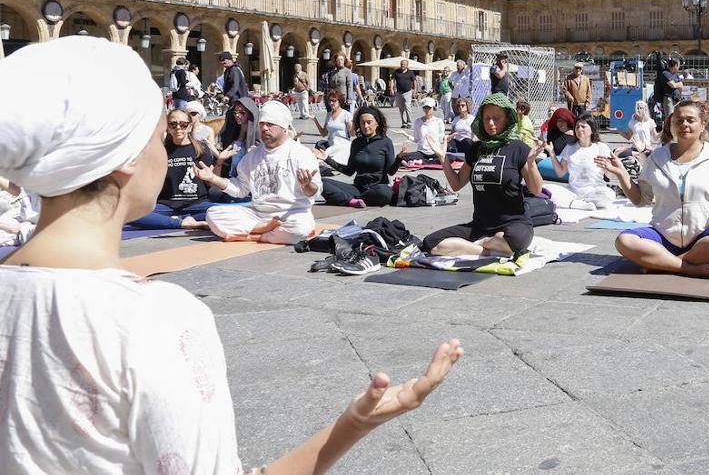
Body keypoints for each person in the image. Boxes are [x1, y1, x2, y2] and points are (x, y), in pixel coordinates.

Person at [0, 36, 463, 473]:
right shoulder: (156, 321)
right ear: (124, 159)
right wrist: (355, 425)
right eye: (159, 135)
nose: (166, 150)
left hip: (287, 217)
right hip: (260, 219)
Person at [596, 99, 709, 278]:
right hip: (664, 235)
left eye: (690, 120)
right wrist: (621, 174)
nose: (684, 125)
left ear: (702, 124)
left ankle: (662, 263)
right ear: (671, 125)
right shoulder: (657, 157)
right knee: (625, 241)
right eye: (678, 120)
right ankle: (686, 267)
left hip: (705, 236)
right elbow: (641, 200)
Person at [423, 93, 544, 257]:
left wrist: (531, 164)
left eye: (496, 118)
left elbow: (536, 190)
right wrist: (443, 159)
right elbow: (457, 184)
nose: (491, 123)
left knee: (515, 240)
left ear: (507, 119)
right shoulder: (476, 149)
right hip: (480, 226)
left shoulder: (518, 148)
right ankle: (485, 248)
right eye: (486, 118)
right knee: (431, 243)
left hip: (514, 224)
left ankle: (484, 244)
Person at [196, 101, 321, 244]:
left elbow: (315, 191)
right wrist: (213, 178)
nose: (265, 128)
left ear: (284, 127)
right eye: (262, 124)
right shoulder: (251, 157)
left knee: (300, 228)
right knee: (213, 214)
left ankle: (253, 236)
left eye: (270, 124)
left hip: (291, 214)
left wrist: (307, 185)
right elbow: (240, 189)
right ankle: (265, 230)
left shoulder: (301, 154)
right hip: (258, 215)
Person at [129, 108, 215, 230]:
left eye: (183, 124)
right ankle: (181, 223)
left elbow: (210, 182)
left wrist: (218, 166)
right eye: (173, 124)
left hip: (197, 204)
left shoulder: (202, 149)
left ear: (190, 127)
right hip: (167, 205)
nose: (178, 128)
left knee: (230, 211)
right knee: (130, 214)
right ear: (168, 127)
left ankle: (175, 219)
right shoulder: (160, 151)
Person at [317, 105, 404, 208]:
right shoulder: (356, 143)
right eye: (362, 123)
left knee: (386, 193)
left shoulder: (386, 142)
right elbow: (349, 171)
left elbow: (390, 171)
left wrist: (399, 158)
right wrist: (327, 159)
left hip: (377, 188)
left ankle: (348, 199)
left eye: (369, 122)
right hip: (358, 188)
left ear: (377, 123)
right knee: (320, 182)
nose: (365, 126)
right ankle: (352, 200)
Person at [548, 114, 616, 208]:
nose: (579, 129)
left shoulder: (601, 147)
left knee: (609, 195)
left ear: (592, 129)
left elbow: (610, 175)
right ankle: (579, 204)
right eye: (577, 127)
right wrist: (552, 153)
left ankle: (577, 204)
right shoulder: (570, 147)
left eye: (583, 126)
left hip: (595, 192)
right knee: (549, 190)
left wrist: (610, 166)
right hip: (573, 192)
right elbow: (560, 173)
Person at [218, 97, 260, 178]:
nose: (237, 115)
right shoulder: (235, 129)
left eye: (242, 113)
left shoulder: (258, 131)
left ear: (250, 113)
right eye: (235, 112)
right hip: (234, 175)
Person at [313, 89, 355, 164]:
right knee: (316, 149)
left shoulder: (346, 115)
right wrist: (315, 120)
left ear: (340, 101)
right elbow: (323, 133)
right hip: (330, 145)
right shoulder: (329, 114)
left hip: (341, 145)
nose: (331, 103)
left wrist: (353, 125)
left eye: (334, 101)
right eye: (329, 101)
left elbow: (352, 134)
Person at [410, 97, 446, 163]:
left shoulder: (439, 121)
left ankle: (424, 162)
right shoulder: (418, 121)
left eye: (429, 108)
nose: (427, 110)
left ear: (433, 108)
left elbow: (441, 138)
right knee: (404, 157)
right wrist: (406, 136)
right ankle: (426, 161)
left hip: (435, 151)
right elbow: (416, 138)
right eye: (425, 108)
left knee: (448, 158)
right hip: (422, 152)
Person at [391, 59, 419, 126]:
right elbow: (392, 80)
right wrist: (391, 89)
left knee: (407, 106)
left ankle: (409, 121)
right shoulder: (396, 72)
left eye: (404, 64)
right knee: (401, 108)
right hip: (399, 92)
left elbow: (414, 81)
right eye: (401, 64)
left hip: (408, 92)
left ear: (407, 65)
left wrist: (415, 90)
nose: (402, 65)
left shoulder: (410, 72)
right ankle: (403, 122)